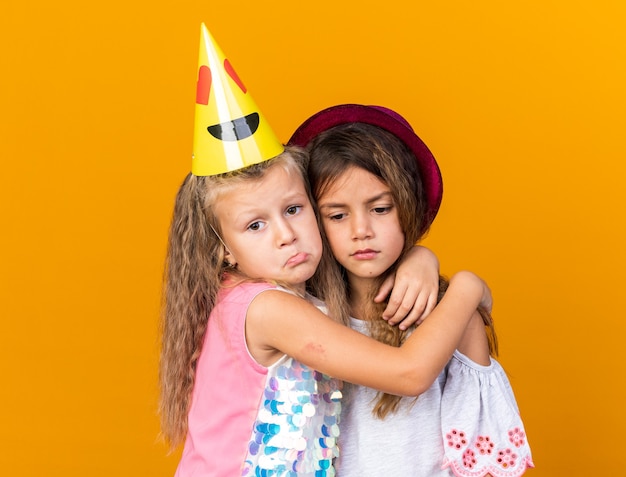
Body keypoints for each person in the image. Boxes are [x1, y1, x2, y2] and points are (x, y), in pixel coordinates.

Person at [161, 24, 493, 476]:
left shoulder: (288, 290)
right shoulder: (268, 308)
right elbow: (409, 375)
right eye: (256, 225)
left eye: (294, 209)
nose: (286, 235)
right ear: (223, 251)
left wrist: (420, 256)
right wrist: (470, 285)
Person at [289, 103, 534, 477]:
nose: (361, 230)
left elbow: (481, 461)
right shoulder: (299, 312)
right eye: (338, 215)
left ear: (408, 206)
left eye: (381, 209)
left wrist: (454, 278)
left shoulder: (449, 315)